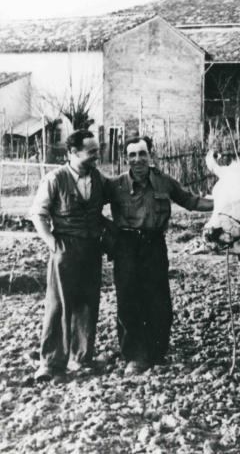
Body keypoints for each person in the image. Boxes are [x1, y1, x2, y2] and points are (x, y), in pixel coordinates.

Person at [105, 135, 213, 375]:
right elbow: (90, 207)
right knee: (128, 300)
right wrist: (109, 234)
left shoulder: (164, 183)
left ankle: (156, 351)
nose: (138, 160)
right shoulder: (115, 185)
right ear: (126, 159)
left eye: (142, 154)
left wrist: (224, 203)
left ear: (150, 155)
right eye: (132, 155)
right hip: (126, 246)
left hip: (154, 245)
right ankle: (135, 355)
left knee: (158, 299)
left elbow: (190, 201)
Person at [30, 130, 106, 381]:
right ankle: (51, 362)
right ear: (73, 153)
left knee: (87, 303)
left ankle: (81, 358)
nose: (97, 155)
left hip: (92, 248)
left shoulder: (99, 179)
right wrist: (52, 242)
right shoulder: (54, 179)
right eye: (92, 151)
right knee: (59, 304)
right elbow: (38, 214)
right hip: (65, 248)